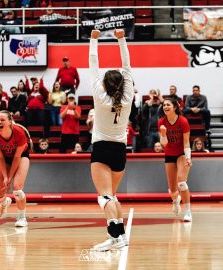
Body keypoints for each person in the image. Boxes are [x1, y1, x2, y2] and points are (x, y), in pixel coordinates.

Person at [89, 29, 133, 251]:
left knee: (104, 197)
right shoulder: (128, 96)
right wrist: (121, 39)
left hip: (101, 148)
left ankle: (114, 237)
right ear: (123, 83)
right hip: (120, 150)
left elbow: (93, 64)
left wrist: (94, 39)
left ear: (105, 84)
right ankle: (121, 236)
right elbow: (127, 65)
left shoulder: (99, 96)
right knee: (112, 196)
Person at [0, 110, 32, 227]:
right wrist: (5, 176)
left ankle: (22, 217)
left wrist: (10, 177)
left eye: (2, 120)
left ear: (10, 122)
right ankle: (4, 202)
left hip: (21, 157)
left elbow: (17, 157)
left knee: (17, 188)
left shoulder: (19, 133)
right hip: (5, 159)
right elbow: (0, 158)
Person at [158, 98, 193, 222]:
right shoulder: (161, 122)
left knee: (181, 183)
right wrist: (163, 134)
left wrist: (188, 157)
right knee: (173, 191)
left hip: (182, 153)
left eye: (168, 105)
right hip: (169, 154)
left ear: (174, 107)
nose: (165, 107)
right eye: (163, 105)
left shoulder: (183, 121)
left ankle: (188, 211)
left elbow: (186, 142)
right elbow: (164, 145)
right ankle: (175, 200)